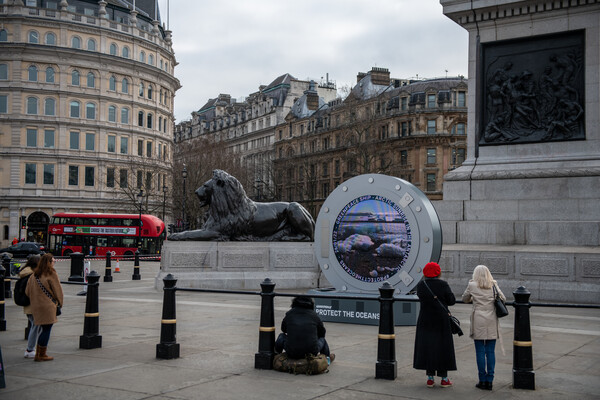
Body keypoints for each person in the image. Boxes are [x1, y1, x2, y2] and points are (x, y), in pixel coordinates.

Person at [462, 265, 506, 391]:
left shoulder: (472, 285)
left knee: (480, 351)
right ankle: (490, 380)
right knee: (490, 351)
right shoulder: (493, 284)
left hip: (478, 319)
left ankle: (482, 380)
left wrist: (473, 298)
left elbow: (465, 299)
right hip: (491, 318)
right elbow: (503, 298)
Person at [413, 262, 457, 388]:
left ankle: (430, 378)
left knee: (429, 347)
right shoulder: (443, 284)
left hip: (425, 320)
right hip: (441, 320)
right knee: (443, 348)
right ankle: (444, 378)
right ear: (438, 272)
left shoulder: (422, 285)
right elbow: (451, 301)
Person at [25, 253, 63, 362]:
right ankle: (41, 354)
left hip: (36, 306)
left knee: (40, 328)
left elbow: (27, 292)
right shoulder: (51, 273)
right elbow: (58, 291)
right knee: (46, 329)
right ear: (49, 263)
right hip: (48, 306)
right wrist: (59, 302)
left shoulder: (34, 275)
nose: (54, 263)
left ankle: (38, 353)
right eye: (53, 261)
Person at [275, 296, 334, 365]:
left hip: (291, 352)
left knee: (281, 336)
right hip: (311, 352)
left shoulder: (289, 314)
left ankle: (276, 356)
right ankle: (327, 360)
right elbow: (322, 333)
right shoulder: (314, 315)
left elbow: (283, 329)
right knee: (322, 339)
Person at [19, 254, 42, 358]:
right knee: (35, 326)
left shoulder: (25, 273)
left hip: (28, 305)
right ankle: (30, 349)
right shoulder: (32, 276)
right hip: (33, 304)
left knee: (36, 326)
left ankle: (31, 348)